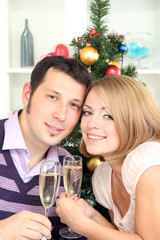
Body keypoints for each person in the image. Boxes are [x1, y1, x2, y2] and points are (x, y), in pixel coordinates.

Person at [56, 74, 160, 240]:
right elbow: (119, 236)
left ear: (133, 120)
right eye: (87, 112)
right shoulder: (103, 177)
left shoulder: (148, 161)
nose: (91, 124)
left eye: (108, 116)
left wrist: (80, 223)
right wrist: (91, 215)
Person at [0, 56, 91, 240]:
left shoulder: (69, 170)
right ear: (28, 95)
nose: (61, 115)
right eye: (52, 97)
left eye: (74, 105)